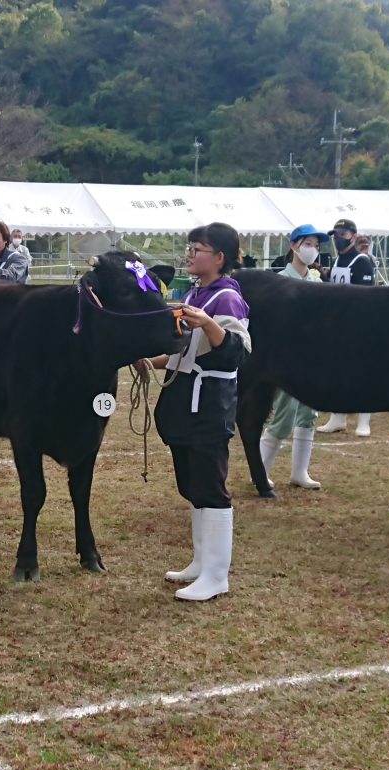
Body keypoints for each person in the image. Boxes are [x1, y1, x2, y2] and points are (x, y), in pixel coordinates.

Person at [142, 222, 250, 602]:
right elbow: (185, 350)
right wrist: (150, 361)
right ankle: (201, 562)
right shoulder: (195, 292)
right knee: (191, 484)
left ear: (219, 257)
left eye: (198, 249)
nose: (190, 255)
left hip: (209, 403)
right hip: (184, 401)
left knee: (211, 485)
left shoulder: (227, 299)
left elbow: (235, 350)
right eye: (190, 248)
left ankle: (217, 574)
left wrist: (206, 323)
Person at [260, 224, 326, 493]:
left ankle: (300, 472)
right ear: (294, 246)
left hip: (312, 357)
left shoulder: (317, 282)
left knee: (309, 413)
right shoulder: (279, 281)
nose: (313, 249)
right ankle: (260, 471)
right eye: (308, 243)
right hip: (285, 359)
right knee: (284, 415)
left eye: (317, 245)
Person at [319, 218, 374, 437]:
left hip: (358, 325)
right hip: (337, 324)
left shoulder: (362, 261)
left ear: (353, 235)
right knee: (337, 372)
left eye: (342, 234)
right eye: (336, 235)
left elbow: (366, 294)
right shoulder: (337, 261)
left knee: (363, 373)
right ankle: (337, 417)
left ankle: (364, 420)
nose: (338, 239)